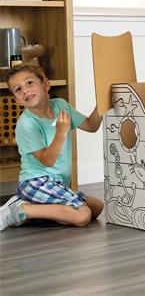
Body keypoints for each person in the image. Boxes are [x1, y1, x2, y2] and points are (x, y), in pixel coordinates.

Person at [0, 65, 104, 231]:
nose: (25, 90)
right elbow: (47, 161)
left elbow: (91, 125)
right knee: (82, 216)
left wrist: (103, 103)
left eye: (29, 83)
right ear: (16, 100)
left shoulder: (61, 106)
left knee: (97, 207)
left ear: (46, 85)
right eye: (18, 89)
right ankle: (20, 210)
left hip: (57, 183)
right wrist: (61, 132)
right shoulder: (26, 124)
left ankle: (28, 208)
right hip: (35, 182)